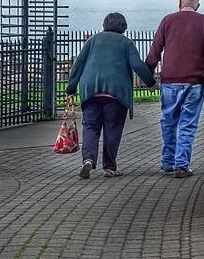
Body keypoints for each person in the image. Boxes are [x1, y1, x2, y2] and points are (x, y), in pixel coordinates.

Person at [66, 12, 156, 179]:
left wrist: (70, 89)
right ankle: (109, 167)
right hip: (116, 93)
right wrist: (151, 83)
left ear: (104, 25)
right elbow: (138, 65)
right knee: (112, 128)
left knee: (90, 127)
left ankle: (88, 160)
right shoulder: (126, 43)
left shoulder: (92, 40)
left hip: (91, 91)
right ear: (124, 27)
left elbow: (78, 65)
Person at [145, 0, 204, 178]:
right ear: (198, 5)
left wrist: (148, 75)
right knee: (188, 124)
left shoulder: (167, 21)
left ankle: (168, 162)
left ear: (179, 3)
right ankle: (181, 165)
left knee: (168, 122)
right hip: (194, 82)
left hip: (169, 81)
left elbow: (155, 50)